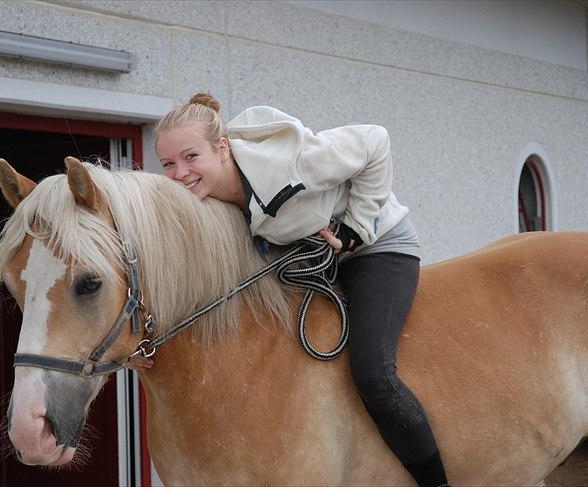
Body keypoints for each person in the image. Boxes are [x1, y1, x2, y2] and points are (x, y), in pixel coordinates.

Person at [133, 92, 449, 487]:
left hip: (376, 246)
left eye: (191, 157)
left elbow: (375, 141)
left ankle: (436, 481)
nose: (180, 173)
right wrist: (147, 343)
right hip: (312, 258)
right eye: (168, 164)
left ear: (223, 148)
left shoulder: (291, 163)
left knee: (373, 375)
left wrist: (356, 227)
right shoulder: (203, 197)